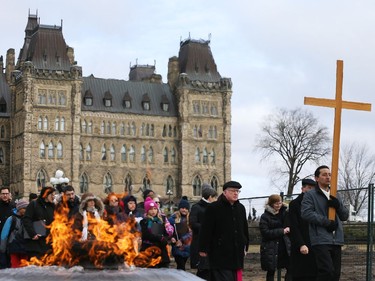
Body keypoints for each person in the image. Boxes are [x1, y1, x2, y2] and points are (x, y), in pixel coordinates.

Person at [301, 165, 349, 281]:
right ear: (317, 178)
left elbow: (344, 216)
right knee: (327, 271)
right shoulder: (310, 195)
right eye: (324, 175)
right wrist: (327, 222)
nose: (328, 177)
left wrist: (338, 206)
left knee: (335, 275)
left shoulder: (335, 195)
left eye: (329, 174)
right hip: (320, 239)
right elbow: (306, 213)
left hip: (336, 239)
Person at [199, 180, 249, 281]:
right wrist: (203, 248)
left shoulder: (240, 208)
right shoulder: (214, 208)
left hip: (237, 253)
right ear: (225, 192)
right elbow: (206, 230)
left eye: (238, 191)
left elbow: (244, 228)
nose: (236, 193)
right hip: (220, 253)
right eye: (233, 191)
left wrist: (245, 244)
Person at [288, 178, 317, 281]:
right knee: (300, 274)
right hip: (301, 244)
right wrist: (301, 244)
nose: (311, 190)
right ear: (302, 189)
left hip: (315, 243)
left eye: (313, 188)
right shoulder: (295, 204)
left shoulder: (316, 203)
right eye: (309, 188)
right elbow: (294, 226)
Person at [259, 194, 291, 281]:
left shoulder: (286, 213)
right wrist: (282, 231)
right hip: (270, 247)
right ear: (271, 204)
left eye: (280, 203)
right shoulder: (265, 217)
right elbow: (265, 232)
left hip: (285, 246)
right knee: (271, 271)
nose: (278, 205)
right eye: (276, 204)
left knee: (290, 269)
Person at [189, 184, 218, 279]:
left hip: (213, 245)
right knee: (203, 272)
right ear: (210, 197)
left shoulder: (214, 208)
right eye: (215, 198)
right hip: (200, 244)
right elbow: (193, 224)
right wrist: (207, 228)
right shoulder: (196, 207)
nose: (216, 200)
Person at [23, 186, 56, 259]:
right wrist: (32, 234)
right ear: (45, 195)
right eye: (52, 195)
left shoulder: (53, 206)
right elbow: (26, 220)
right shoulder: (34, 204)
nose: (54, 197)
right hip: (35, 244)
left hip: (48, 244)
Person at [140, 197, 172, 268]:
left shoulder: (160, 221)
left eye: (155, 209)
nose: (153, 211)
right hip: (149, 250)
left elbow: (164, 234)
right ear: (147, 211)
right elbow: (146, 235)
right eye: (151, 209)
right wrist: (160, 238)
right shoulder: (145, 221)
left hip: (161, 251)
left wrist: (165, 239)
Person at [0, 200, 29, 268]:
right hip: (14, 248)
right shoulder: (11, 219)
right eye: (24, 208)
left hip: (25, 248)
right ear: (19, 208)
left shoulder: (28, 219)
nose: (26, 210)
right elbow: (4, 235)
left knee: (25, 268)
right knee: (15, 267)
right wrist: (2, 249)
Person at [169, 198, 192, 270]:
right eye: (182, 208)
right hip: (177, 246)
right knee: (181, 266)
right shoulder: (173, 219)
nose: (184, 210)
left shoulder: (190, 219)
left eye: (186, 208)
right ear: (179, 208)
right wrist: (172, 238)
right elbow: (169, 231)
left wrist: (182, 240)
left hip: (187, 246)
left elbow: (191, 233)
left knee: (182, 266)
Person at [0, 187, 15, 268]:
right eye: (3, 193)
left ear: (9, 194)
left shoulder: (13, 206)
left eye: (6, 193)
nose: (5, 195)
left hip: (11, 237)